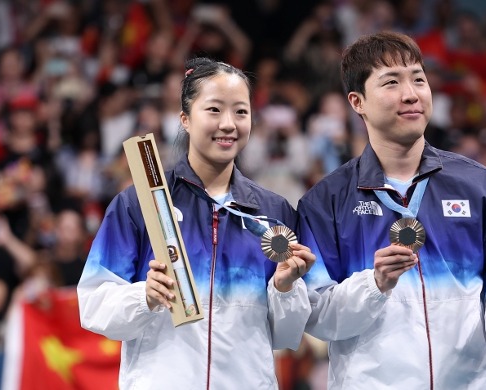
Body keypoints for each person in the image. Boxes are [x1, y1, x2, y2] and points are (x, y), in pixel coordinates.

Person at [297, 31, 486, 389]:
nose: (411, 94)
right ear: (357, 101)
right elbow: (318, 316)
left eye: (418, 79)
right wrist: (375, 283)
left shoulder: (484, 188)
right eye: (391, 82)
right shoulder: (325, 203)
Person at [77, 58, 315, 389]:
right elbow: (92, 305)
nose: (229, 124)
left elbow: (286, 335)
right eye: (214, 110)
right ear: (185, 119)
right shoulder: (137, 204)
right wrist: (144, 296)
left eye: (241, 112)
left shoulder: (274, 213)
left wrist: (285, 288)